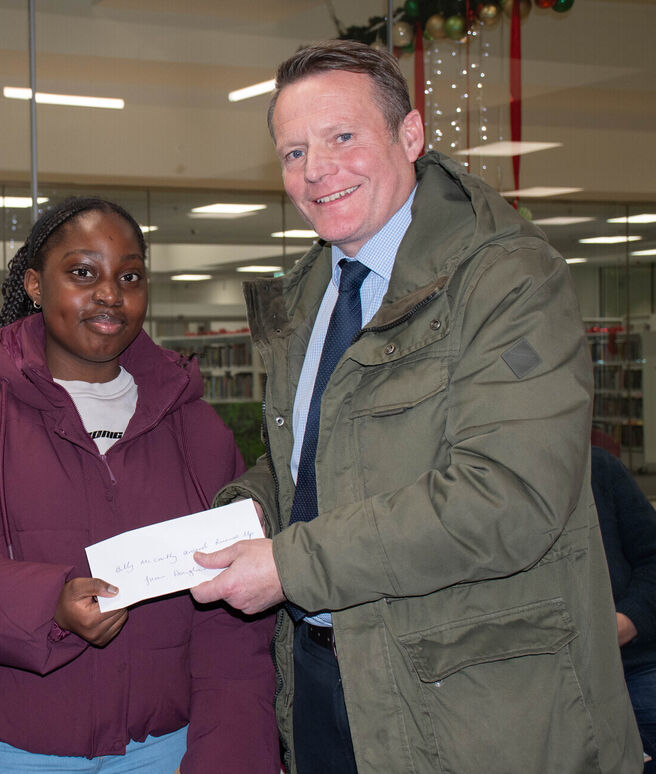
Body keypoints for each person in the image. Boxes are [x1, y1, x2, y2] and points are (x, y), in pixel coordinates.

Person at [189, 39, 643, 773]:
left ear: (411, 135)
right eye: (293, 152)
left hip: (477, 699)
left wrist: (289, 562)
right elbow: (321, 463)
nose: (316, 170)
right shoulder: (307, 295)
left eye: (342, 138)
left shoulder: (508, 279)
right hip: (325, 680)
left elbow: (509, 499)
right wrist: (247, 513)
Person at [0, 197, 279, 773]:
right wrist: (46, 607)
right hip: (16, 755)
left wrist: (232, 755)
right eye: (83, 273)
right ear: (35, 284)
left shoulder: (197, 432)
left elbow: (234, 622)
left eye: (128, 276)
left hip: (169, 751)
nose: (110, 293)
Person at [590, 444, 656, 772]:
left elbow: (652, 558)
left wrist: (628, 620)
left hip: (633, 664)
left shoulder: (600, 469)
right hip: (553, 680)